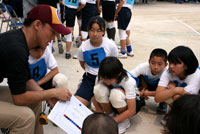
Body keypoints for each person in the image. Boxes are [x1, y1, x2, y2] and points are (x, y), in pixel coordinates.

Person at [0, 5, 71, 134]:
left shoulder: (20, 39)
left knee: (36, 101)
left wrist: (45, 97)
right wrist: (52, 93)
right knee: (25, 118)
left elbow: (27, 80)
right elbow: (19, 98)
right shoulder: (17, 49)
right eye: (52, 32)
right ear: (37, 24)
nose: (53, 39)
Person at [75, 16, 118, 106]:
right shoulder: (83, 47)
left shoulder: (110, 45)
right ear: (88, 30)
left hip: (106, 78)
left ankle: (94, 96)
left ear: (104, 31)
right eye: (92, 30)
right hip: (89, 79)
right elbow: (83, 64)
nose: (95, 34)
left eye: (99, 31)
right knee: (77, 104)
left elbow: (114, 64)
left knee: (102, 105)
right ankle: (84, 87)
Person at [93, 57, 144, 134]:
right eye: (103, 78)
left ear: (119, 74)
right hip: (113, 102)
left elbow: (132, 110)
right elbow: (95, 98)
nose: (105, 80)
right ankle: (110, 114)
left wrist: (111, 122)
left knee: (116, 94)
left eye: (108, 79)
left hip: (131, 103)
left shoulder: (128, 81)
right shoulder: (101, 76)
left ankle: (124, 121)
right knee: (98, 89)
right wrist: (101, 118)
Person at [130, 48, 168, 114]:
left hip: (159, 88)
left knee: (169, 88)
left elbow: (169, 91)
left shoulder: (168, 72)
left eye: (160, 64)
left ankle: (163, 102)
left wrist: (147, 93)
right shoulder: (143, 67)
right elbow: (129, 77)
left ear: (166, 64)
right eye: (153, 63)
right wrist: (138, 91)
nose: (155, 67)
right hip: (146, 85)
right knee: (136, 79)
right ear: (149, 61)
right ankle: (140, 99)